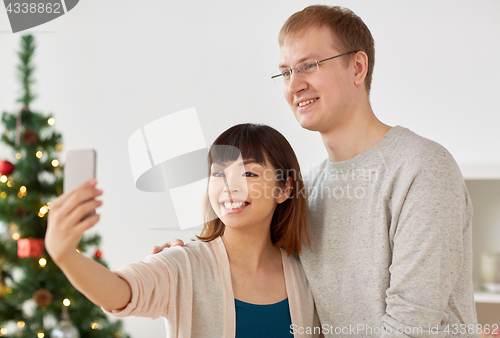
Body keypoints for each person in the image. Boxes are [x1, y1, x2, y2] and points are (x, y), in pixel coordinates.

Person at [159, 5, 478, 337]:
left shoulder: (422, 168)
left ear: (357, 67)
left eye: (308, 66)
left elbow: (413, 326)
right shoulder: (305, 191)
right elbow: (254, 261)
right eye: (285, 72)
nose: (294, 85)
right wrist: (187, 262)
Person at [45, 123, 321, 338]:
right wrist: (66, 256)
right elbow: (120, 292)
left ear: (284, 189)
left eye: (249, 173)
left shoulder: (305, 274)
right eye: (218, 173)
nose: (230, 186)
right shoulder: (183, 264)